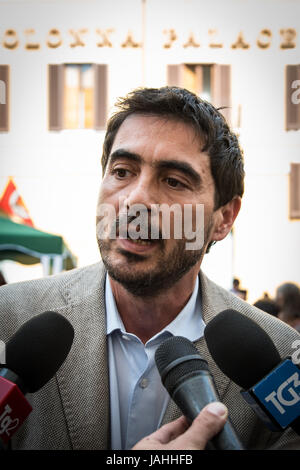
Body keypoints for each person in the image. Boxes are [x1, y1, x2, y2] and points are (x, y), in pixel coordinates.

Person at [0, 87, 299, 450]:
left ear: (224, 218)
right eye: (122, 171)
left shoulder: (281, 360)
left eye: (174, 181)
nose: (136, 199)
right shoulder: (7, 321)